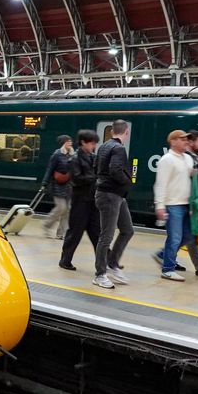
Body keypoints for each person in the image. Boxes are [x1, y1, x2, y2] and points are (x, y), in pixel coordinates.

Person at [155, 129, 198, 281]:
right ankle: (168, 269)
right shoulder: (166, 160)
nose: (186, 142)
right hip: (172, 204)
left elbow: (190, 176)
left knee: (188, 236)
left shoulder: (187, 159)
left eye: (187, 140)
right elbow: (160, 184)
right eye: (182, 139)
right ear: (173, 141)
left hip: (186, 204)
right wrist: (160, 206)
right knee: (175, 238)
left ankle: (163, 255)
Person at [93, 119, 133, 289]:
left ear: (111, 132)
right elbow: (115, 170)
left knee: (127, 230)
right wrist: (128, 182)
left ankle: (112, 263)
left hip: (111, 194)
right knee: (106, 236)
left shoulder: (103, 146)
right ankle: (100, 274)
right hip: (110, 195)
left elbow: (96, 168)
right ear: (126, 132)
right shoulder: (118, 148)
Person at [59, 129, 100, 270]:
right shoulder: (74, 159)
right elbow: (76, 179)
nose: (93, 146)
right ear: (83, 142)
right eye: (92, 143)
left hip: (92, 200)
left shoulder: (93, 158)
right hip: (80, 200)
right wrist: (94, 178)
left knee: (97, 232)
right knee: (75, 232)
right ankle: (65, 260)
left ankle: (105, 262)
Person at [41, 134, 73, 239]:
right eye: (68, 141)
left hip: (69, 186)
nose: (70, 143)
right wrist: (44, 183)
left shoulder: (73, 155)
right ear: (63, 143)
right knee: (61, 207)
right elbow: (50, 169)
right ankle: (47, 225)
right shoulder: (57, 155)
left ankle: (61, 234)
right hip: (58, 185)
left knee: (67, 209)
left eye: (70, 141)